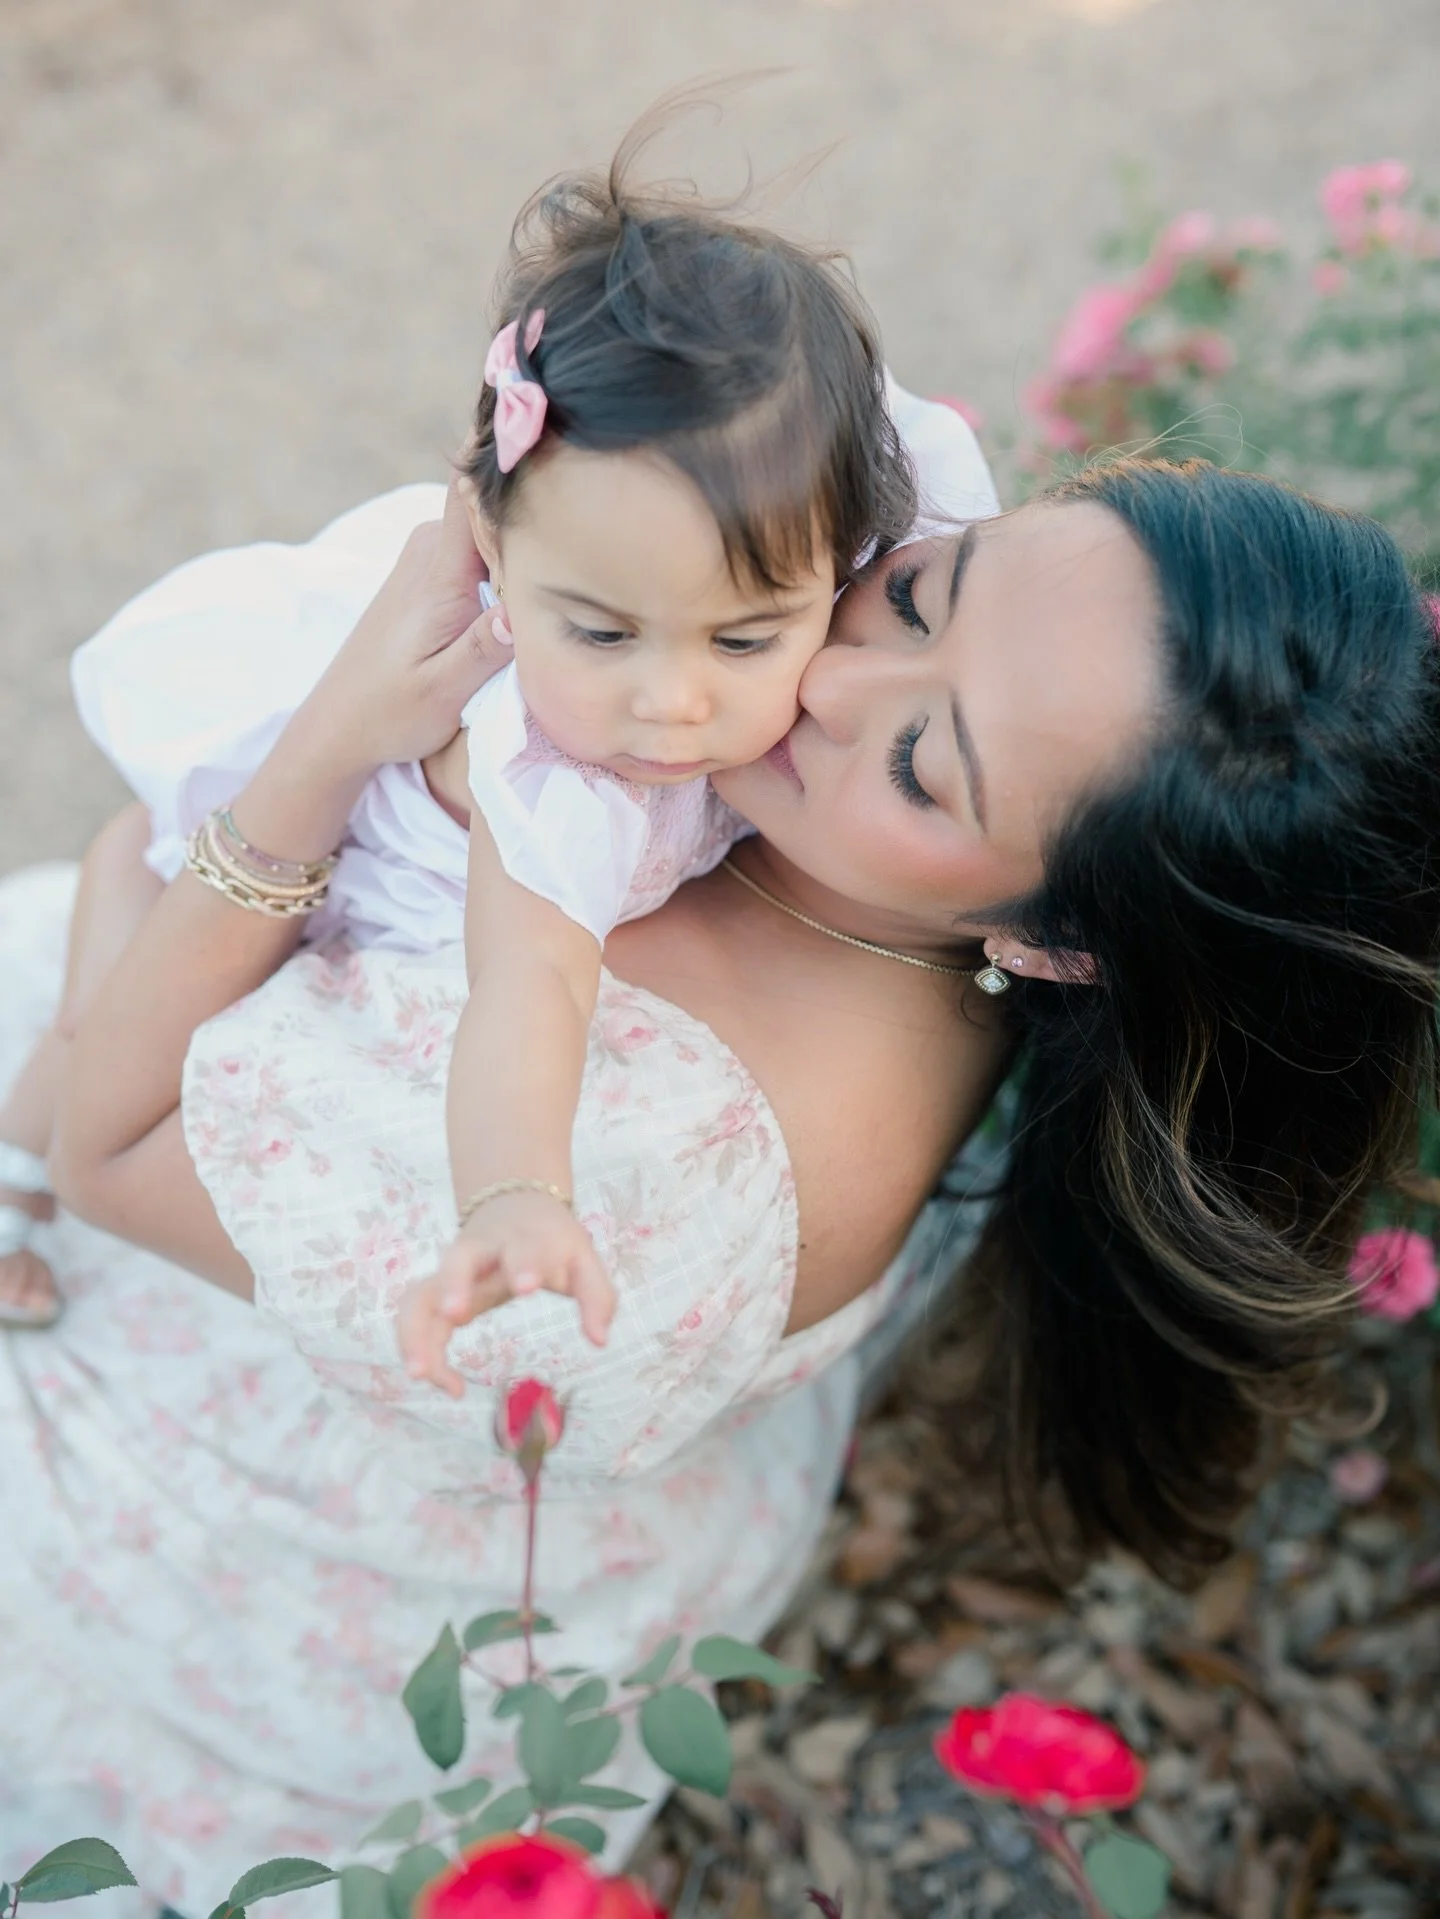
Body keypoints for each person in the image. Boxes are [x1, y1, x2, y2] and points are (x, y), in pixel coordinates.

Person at [3, 454, 1437, 1910]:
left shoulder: (663, 1144)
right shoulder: (943, 816)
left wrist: (305, 758)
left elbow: (106, 1151)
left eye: (921, 764)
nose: (825, 681)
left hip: (266, 1466)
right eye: (923, 590)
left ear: (1064, 942)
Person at [0, 135, 936, 1337]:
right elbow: (529, 982)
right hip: (246, 889)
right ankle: (15, 1183)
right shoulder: (552, 774)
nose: (671, 703)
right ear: (491, 554)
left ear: (844, 567)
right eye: (601, 634)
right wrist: (514, 1193)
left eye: (745, 641)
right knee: (88, 1023)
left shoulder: (799, 564)